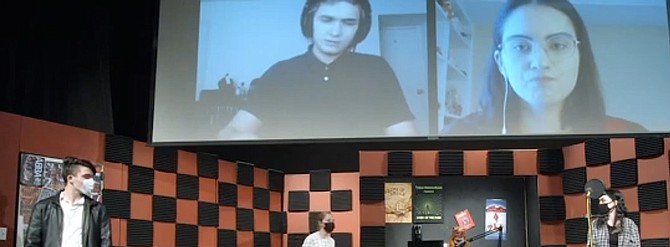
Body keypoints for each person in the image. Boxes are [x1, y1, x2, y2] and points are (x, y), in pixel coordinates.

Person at [441, 0, 646, 136]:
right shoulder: (454, 136)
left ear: (580, 56)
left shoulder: (629, 134)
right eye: (521, 46)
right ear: (501, 62)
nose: (540, 62)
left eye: (558, 45)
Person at [218, 0, 416, 140]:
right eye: (327, 20)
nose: (335, 32)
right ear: (310, 21)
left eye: (348, 22)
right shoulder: (279, 73)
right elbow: (229, 132)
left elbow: (404, 135)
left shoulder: (377, 70)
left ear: (360, 29)